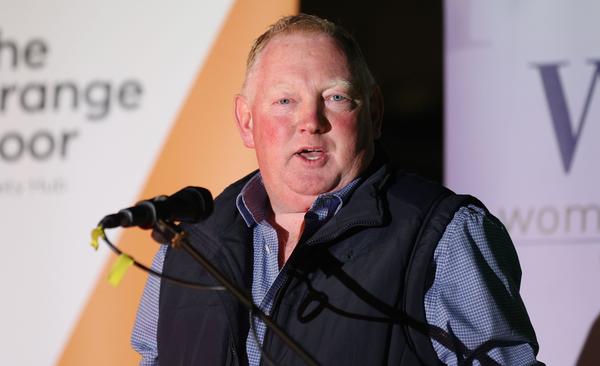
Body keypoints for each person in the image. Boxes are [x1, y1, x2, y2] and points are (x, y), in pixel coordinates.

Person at [131, 14, 541, 366]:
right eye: (285, 100)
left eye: (336, 97)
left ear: (375, 114)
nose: (311, 120)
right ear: (246, 121)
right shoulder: (186, 246)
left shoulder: (443, 236)